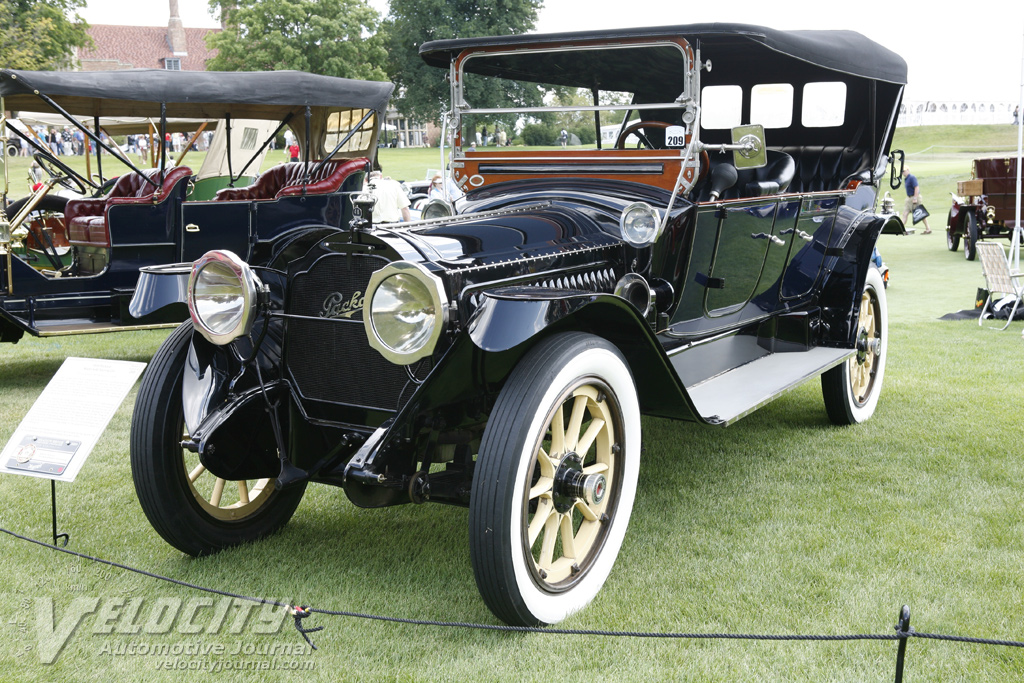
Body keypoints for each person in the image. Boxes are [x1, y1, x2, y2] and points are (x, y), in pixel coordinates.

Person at [901, 167, 931, 234]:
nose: (903, 172)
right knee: (905, 214)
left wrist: (915, 198)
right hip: (908, 198)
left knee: (920, 214)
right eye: (902, 171)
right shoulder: (906, 179)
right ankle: (901, 229)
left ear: (908, 170)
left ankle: (928, 228)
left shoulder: (912, 177)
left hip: (914, 197)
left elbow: (916, 187)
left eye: (904, 171)